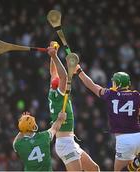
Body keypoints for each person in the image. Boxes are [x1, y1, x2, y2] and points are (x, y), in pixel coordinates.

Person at [75, 65, 140, 172]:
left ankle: (135, 164)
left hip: (125, 140)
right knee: (138, 170)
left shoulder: (110, 94)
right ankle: (136, 164)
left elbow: (91, 85)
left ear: (118, 83)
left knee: (119, 170)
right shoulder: (136, 95)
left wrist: (79, 71)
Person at [47, 42, 100, 171]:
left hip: (70, 142)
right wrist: (54, 56)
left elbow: (53, 72)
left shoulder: (53, 91)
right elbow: (63, 76)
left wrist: (53, 54)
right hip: (65, 143)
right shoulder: (59, 95)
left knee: (94, 169)